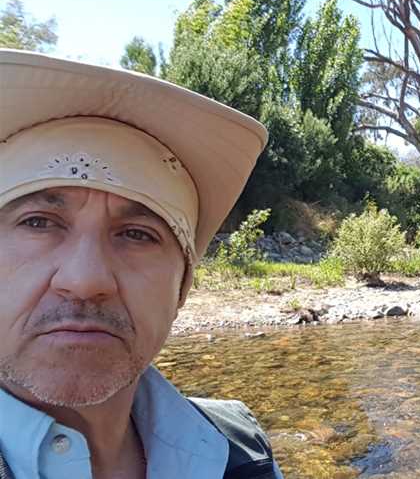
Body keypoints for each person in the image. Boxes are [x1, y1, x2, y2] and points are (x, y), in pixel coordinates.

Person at [0, 50, 283, 478]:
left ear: (183, 286)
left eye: (137, 234)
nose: (85, 280)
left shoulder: (242, 453)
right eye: (38, 223)